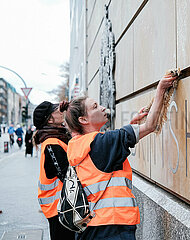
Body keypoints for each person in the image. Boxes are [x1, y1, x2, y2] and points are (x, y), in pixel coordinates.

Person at [61, 73, 177, 240]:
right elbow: (151, 125)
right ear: (83, 119)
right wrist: (161, 90)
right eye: (95, 107)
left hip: (91, 228)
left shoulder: (79, 145)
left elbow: (105, 158)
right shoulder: (101, 143)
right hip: (111, 228)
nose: (102, 108)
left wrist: (132, 125)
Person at [33, 101, 75, 240]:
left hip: (64, 207)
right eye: (56, 110)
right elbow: (66, 175)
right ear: (50, 119)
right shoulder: (52, 143)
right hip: (59, 210)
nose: (60, 111)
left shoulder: (58, 138)